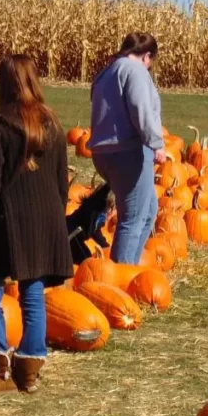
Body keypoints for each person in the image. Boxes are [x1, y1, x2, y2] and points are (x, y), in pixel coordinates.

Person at [0, 54, 73, 396]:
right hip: (47, 217)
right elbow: (61, 180)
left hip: (9, 220)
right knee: (32, 294)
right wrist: (56, 216)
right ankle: (28, 370)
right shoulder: (51, 122)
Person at [89, 32, 165, 265]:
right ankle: (121, 275)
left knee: (149, 210)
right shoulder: (135, 72)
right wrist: (157, 144)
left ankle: (130, 266)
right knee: (132, 219)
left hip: (103, 151)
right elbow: (140, 110)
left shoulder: (105, 73)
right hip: (128, 151)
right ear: (147, 56)